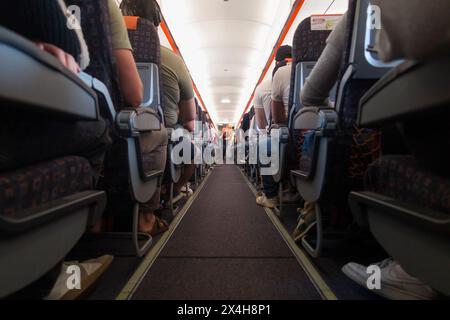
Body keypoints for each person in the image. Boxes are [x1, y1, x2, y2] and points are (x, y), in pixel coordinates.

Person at [120, 0, 197, 197]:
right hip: (159, 129)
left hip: (111, 127)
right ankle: (170, 192)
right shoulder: (174, 61)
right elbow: (190, 122)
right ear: (156, 23)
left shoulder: (102, 47)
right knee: (192, 154)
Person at [256, 45, 300, 209]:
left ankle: (271, 196)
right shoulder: (318, 67)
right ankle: (291, 188)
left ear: (276, 62)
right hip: (321, 132)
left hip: (291, 136)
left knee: (263, 147)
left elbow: (277, 119)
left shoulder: (279, 74)